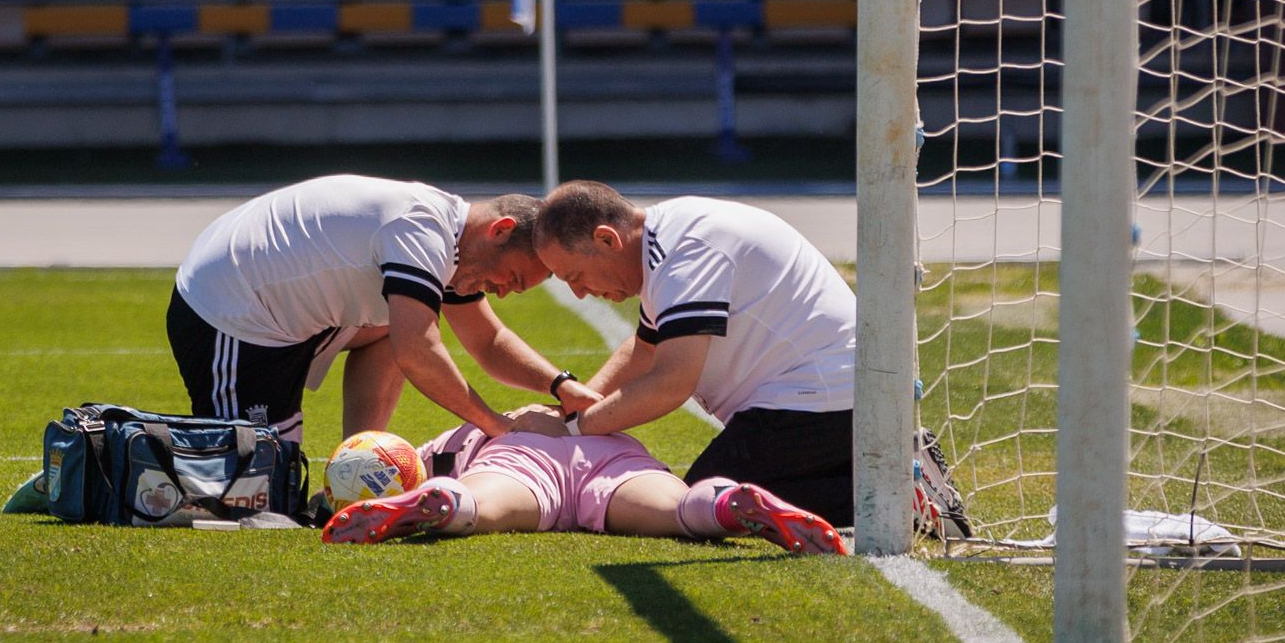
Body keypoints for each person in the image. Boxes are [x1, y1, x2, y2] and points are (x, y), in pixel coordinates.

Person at [517, 179, 858, 527]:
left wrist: (573, 430)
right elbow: (645, 349)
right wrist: (576, 406)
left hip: (820, 398)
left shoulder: (684, 253)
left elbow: (671, 382)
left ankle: (897, 493)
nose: (579, 293)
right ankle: (882, 469)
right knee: (708, 501)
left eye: (576, 276)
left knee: (706, 504)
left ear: (607, 239)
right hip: (826, 394)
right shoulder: (667, 237)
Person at [167, 174, 601, 447]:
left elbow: (488, 341)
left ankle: (354, 459)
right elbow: (417, 350)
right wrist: (497, 426)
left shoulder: (452, 243)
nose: (505, 292)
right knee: (254, 491)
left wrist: (559, 386)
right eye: (513, 277)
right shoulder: (421, 231)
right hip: (229, 311)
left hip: (282, 309)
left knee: (393, 327)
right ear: (500, 231)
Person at [320, 415, 848, 555]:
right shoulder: (521, 414)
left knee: (480, 504)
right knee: (678, 512)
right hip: (611, 450)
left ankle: (442, 505)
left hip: (521, 457)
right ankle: (732, 504)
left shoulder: (441, 447)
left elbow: (410, 466)